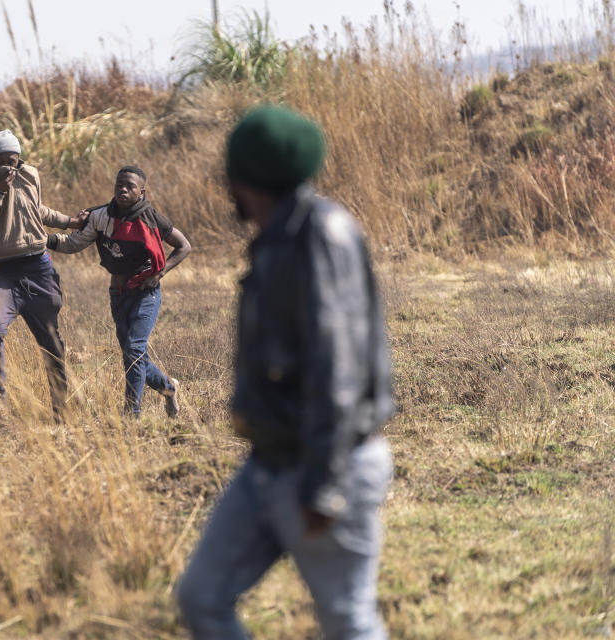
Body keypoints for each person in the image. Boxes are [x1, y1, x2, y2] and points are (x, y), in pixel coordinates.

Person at [177, 106, 395, 639]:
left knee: (347, 621)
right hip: (270, 464)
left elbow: (336, 366)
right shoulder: (279, 235)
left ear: (243, 179)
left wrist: (324, 484)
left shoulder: (320, 236)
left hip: (321, 464)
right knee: (202, 596)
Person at [0, 129, 87, 422]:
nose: (8, 168)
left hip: (38, 268)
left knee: (51, 342)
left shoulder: (29, 174)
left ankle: (61, 411)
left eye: (13, 161)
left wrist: (70, 222)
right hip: (3, 273)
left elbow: (35, 209)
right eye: (1, 162)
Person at [46, 166, 191, 417]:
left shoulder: (151, 218)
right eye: (119, 185)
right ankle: (169, 387)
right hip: (118, 294)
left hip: (146, 294)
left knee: (134, 350)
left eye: (130, 186)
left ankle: (131, 415)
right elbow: (74, 243)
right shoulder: (101, 216)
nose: (123, 189)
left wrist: (160, 272)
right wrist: (42, 240)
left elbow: (183, 246)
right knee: (131, 354)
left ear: (141, 192)